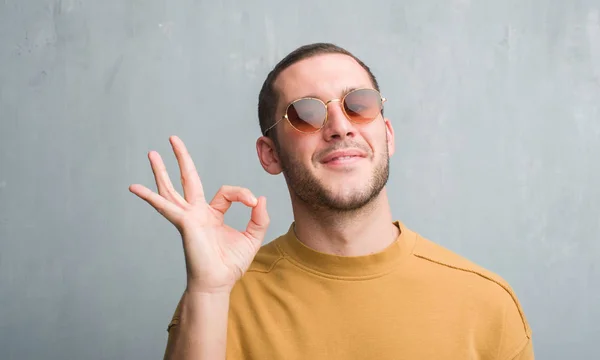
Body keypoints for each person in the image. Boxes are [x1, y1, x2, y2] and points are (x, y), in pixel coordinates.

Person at [129, 43, 534, 360]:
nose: (340, 127)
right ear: (270, 154)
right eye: (305, 113)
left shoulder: (486, 303)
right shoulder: (219, 299)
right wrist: (207, 294)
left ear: (387, 135)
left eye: (359, 104)